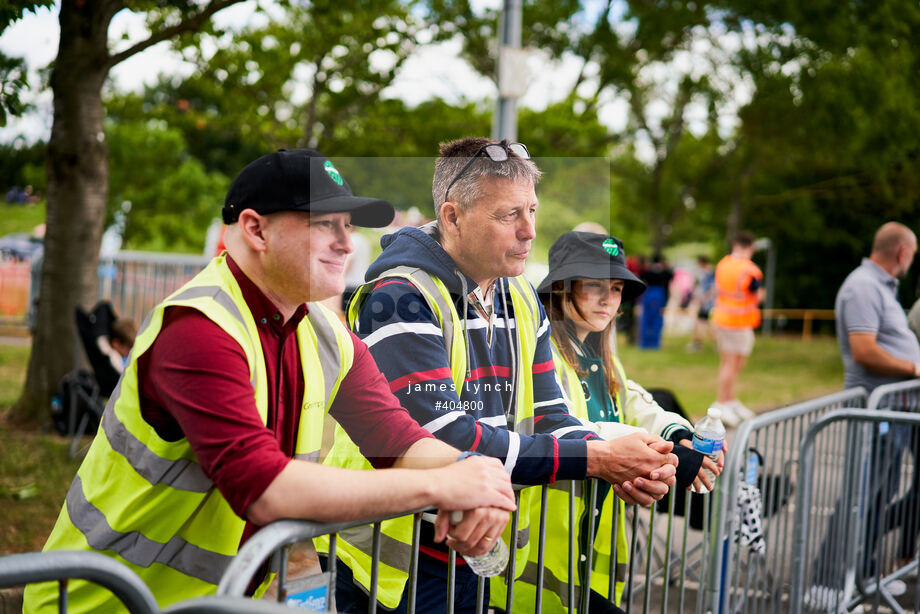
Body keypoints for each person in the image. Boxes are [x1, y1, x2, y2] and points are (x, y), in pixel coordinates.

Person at [23, 149, 516, 613]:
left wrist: (478, 474)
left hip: (207, 602)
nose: (346, 243)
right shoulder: (198, 329)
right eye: (325, 224)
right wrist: (443, 486)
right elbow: (265, 489)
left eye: (347, 226)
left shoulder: (323, 331)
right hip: (106, 601)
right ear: (255, 230)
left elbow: (398, 440)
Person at [325, 138, 680, 613]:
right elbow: (446, 436)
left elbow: (549, 411)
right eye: (508, 215)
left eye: (532, 210)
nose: (530, 231)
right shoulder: (400, 296)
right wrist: (595, 459)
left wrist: (623, 465)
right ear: (452, 218)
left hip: (476, 542)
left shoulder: (519, 293)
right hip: (393, 559)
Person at [514, 231, 719, 613]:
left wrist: (678, 434)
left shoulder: (597, 349)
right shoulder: (540, 352)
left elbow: (632, 400)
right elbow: (573, 426)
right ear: (560, 288)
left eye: (617, 287)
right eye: (594, 286)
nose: (609, 298)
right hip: (539, 559)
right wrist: (666, 452)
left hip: (586, 552)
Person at [808, 222, 920, 606]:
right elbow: (864, 350)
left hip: (890, 413)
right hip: (874, 412)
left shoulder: (881, 287)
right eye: (912, 254)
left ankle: (863, 571)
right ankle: (825, 583)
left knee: (877, 495)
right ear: (902, 252)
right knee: (858, 496)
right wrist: (914, 369)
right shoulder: (862, 286)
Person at [711, 231, 763, 427]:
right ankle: (722, 403)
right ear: (752, 247)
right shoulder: (750, 270)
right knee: (732, 364)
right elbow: (758, 295)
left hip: (723, 318)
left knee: (729, 362)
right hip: (738, 321)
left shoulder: (723, 264)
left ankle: (729, 400)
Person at [638, 253, 673, 349]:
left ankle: (644, 343)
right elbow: (670, 276)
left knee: (645, 319)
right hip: (659, 294)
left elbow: (641, 276)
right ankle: (655, 343)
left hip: (648, 293)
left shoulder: (647, 270)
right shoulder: (665, 272)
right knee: (657, 319)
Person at [687, 255, 715, 353]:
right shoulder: (706, 273)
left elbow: (712, 288)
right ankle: (697, 344)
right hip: (705, 303)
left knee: (705, 325)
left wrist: (704, 299)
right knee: (701, 324)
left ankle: (698, 344)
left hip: (707, 304)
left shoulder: (710, 274)